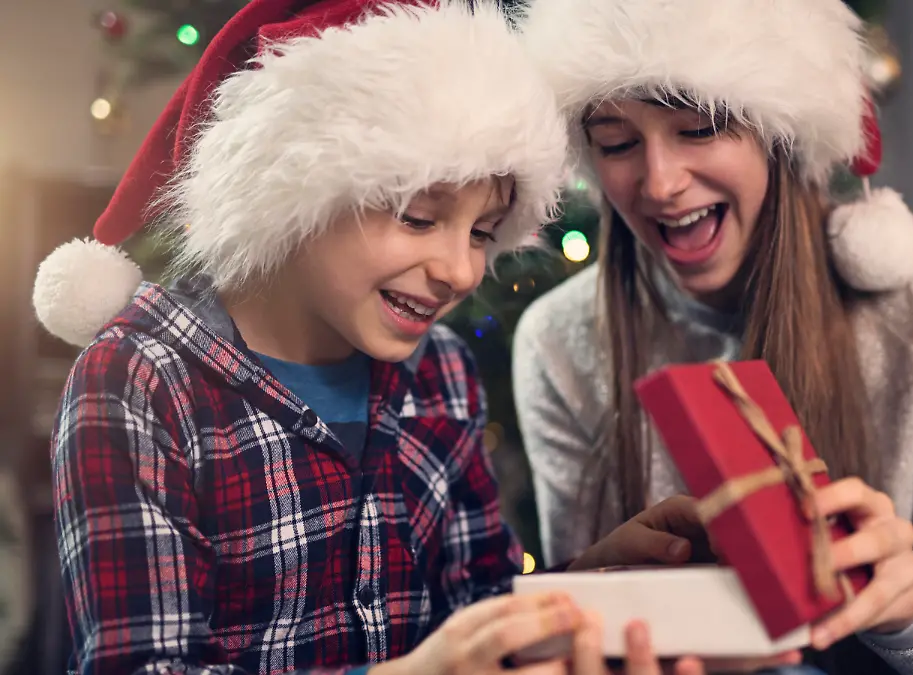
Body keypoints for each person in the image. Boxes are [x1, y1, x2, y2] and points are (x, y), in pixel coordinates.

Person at [31, 1, 752, 673]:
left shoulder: (442, 371)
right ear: (293, 187)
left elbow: (476, 613)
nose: (460, 268)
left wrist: (599, 576)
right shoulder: (139, 377)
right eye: (416, 216)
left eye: (481, 231)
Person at [512, 1, 913, 673]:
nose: (661, 184)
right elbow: (586, 636)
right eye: (615, 142)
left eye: (698, 128)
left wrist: (912, 599)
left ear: (781, 132)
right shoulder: (557, 339)